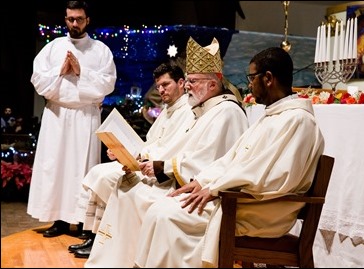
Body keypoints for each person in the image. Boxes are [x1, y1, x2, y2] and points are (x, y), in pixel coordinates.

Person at [133, 47, 325, 268]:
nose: (249, 84)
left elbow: (273, 178)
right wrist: (202, 181)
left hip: (259, 211)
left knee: (166, 216)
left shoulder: (298, 121)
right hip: (240, 200)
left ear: (268, 78)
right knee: (161, 208)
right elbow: (232, 159)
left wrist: (215, 189)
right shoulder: (273, 116)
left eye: (252, 78)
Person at [84, 36, 249, 267]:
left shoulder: (227, 112)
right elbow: (190, 151)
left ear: (213, 83)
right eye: (188, 80)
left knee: (137, 195)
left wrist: (164, 167)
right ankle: (117, 260)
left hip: (208, 193)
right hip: (186, 180)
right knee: (127, 187)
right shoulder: (206, 109)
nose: (188, 86)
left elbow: (212, 162)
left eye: (192, 81)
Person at [68, 60, 193, 258]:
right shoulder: (168, 109)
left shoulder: (188, 111)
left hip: (159, 173)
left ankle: (103, 241)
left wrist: (141, 158)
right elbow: (152, 142)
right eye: (158, 86)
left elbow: (173, 149)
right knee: (98, 171)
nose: (161, 90)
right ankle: (95, 237)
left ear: (180, 83)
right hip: (145, 163)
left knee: (105, 177)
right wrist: (124, 152)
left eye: (165, 85)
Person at [27, 0, 117, 238]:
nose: (74, 23)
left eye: (79, 19)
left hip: (85, 116)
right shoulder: (53, 47)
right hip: (57, 114)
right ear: (65, 19)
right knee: (56, 168)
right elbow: (37, 80)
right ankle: (59, 220)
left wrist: (81, 71)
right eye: (70, 19)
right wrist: (60, 71)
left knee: (82, 169)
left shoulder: (100, 50)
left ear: (88, 19)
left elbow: (108, 83)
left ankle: (84, 223)